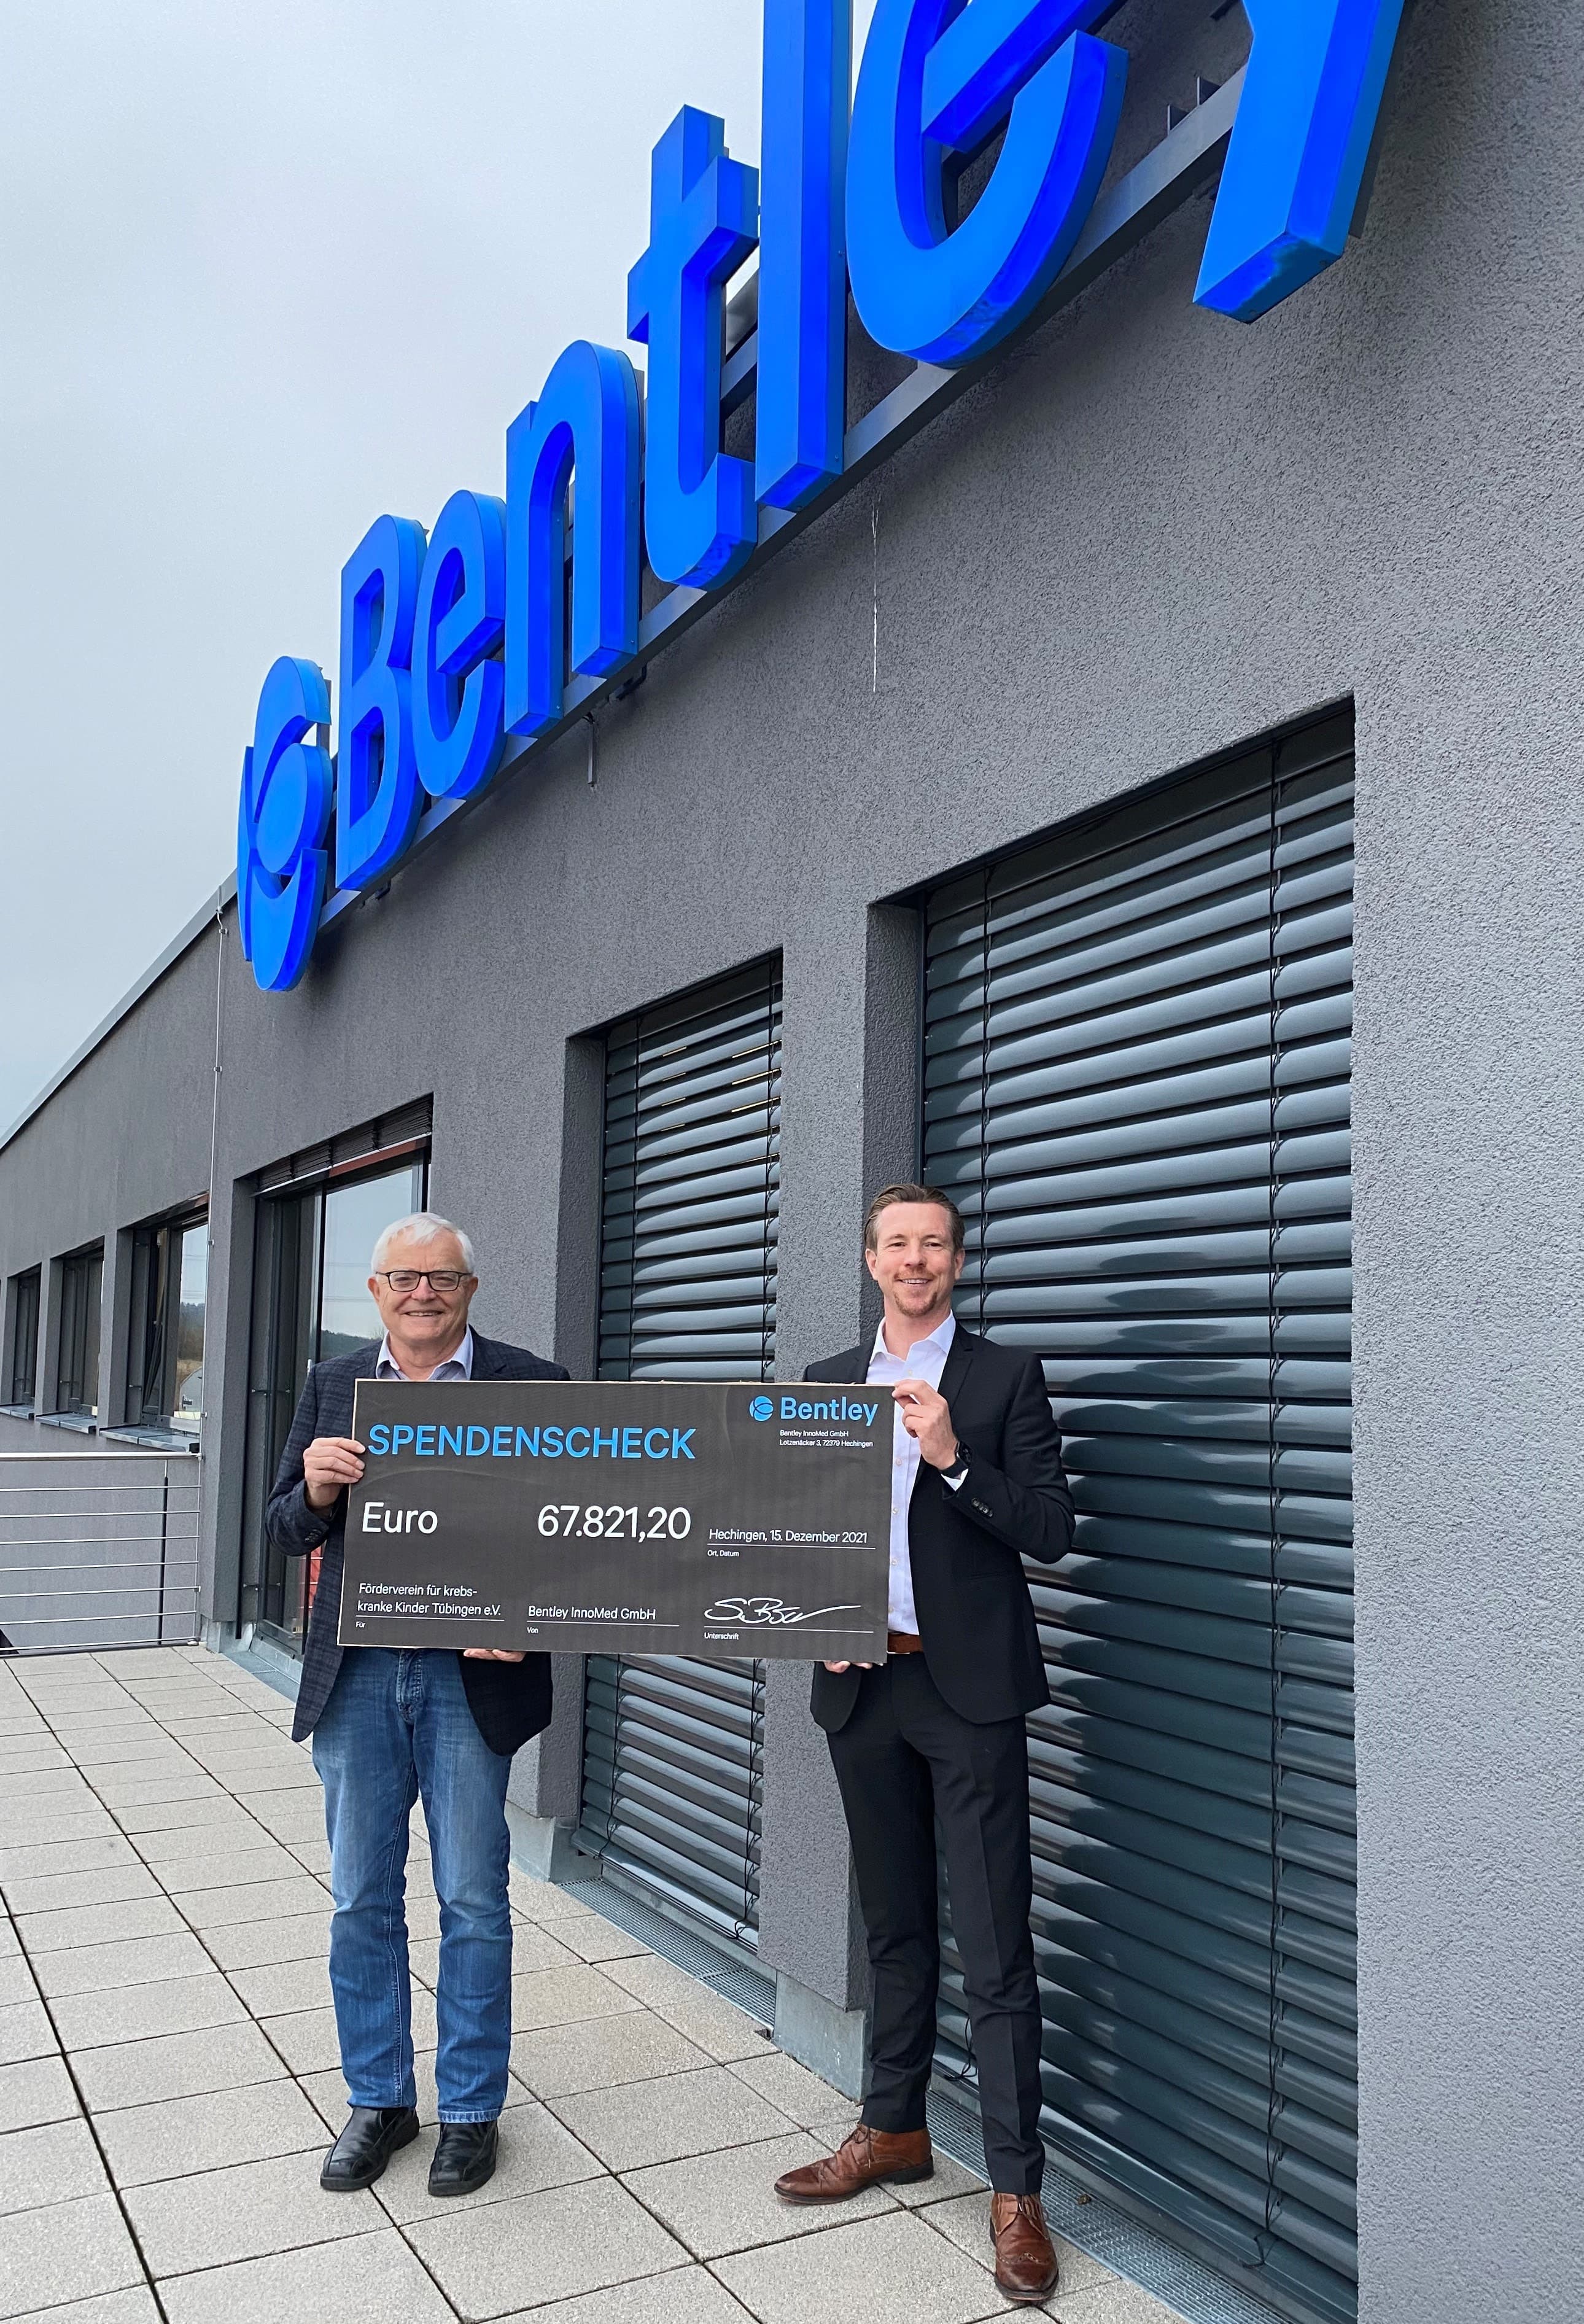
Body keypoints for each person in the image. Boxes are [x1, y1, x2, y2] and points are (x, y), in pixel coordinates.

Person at [772, 1184, 1074, 2306]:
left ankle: (1015, 2191)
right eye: (897, 1244)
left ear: (955, 1260)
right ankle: (893, 2128)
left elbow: (1050, 1529)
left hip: (971, 1695)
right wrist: (818, 1619)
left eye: (933, 1244)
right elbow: (786, 1536)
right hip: (863, 1688)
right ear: (870, 1260)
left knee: (995, 1946)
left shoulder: (1001, 1379)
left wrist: (952, 1454)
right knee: (894, 1928)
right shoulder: (822, 1384)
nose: (915, 1260)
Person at [266, 1211, 566, 2198]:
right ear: (377, 1290)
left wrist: (528, 1616)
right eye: (404, 1276)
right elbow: (282, 1530)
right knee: (360, 1897)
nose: (422, 1292)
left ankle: (472, 2109)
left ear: (470, 1289)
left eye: (441, 1277)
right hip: (357, 1677)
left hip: (468, 1680)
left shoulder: (535, 1386)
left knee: (473, 1900)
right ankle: (380, 2097)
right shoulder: (334, 1384)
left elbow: (586, 1536)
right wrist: (311, 1490)